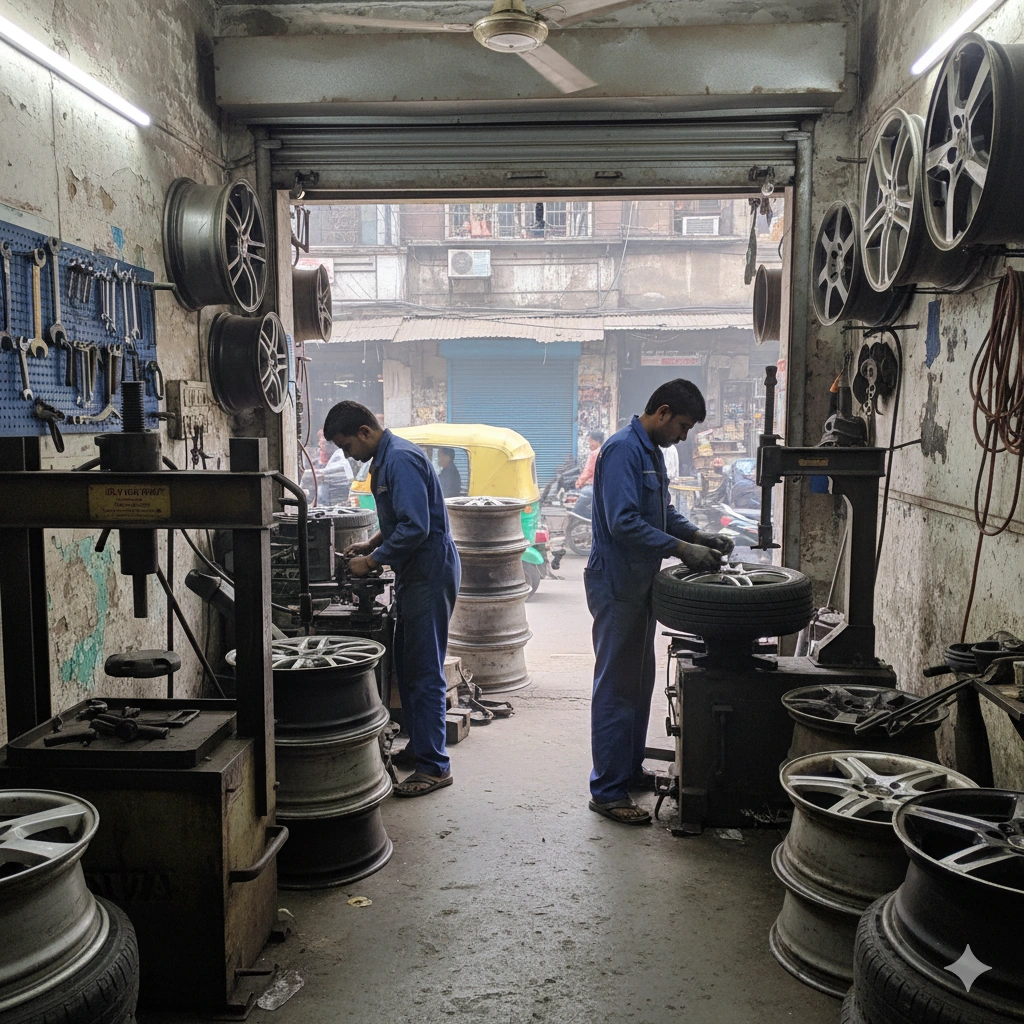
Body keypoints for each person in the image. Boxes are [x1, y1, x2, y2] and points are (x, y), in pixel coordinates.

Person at [585, 380, 734, 825]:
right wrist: (683, 550)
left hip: (640, 582)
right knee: (616, 686)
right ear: (663, 411)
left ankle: (627, 772)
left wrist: (696, 534)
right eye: (683, 427)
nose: (684, 437)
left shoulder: (650, 453)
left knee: (638, 681)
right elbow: (624, 522)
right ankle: (607, 791)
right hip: (616, 583)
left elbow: (661, 513)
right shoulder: (622, 451)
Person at [324, 401, 461, 798]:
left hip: (429, 570)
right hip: (416, 571)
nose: (348, 455)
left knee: (423, 670)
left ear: (365, 432)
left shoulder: (398, 459)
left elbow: (416, 527)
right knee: (408, 663)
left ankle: (435, 766)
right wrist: (373, 540)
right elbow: (402, 519)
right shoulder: (387, 459)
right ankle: (420, 747)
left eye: (348, 446)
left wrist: (371, 561)